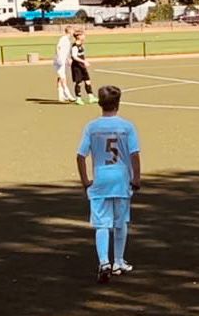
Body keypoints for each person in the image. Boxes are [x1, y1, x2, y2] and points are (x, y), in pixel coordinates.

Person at [75, 85, 141, 283]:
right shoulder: (127, 126)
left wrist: (85, 181)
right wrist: (136, 177)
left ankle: (104, 262)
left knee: (102, 224)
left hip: (101, 179)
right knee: (121, 222)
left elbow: (80, 156)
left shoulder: (92, 127)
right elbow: (134, 154)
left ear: (100, 103)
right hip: (121, 179)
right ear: (118, 103)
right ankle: (118, 261)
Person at [70, 31, 97, 105]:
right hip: (77, 67)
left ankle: (91, 97)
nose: (84, 37)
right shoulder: (75, 46)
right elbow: (74, 56)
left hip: (82, 66)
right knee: (78, 82)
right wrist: (84, 61)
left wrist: (84, 62)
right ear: (78, 36)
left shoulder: (81, 45)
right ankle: (78, 98)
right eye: (83, 35)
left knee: (87, 81)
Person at [55, 25, 76, 103]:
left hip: (63, 61)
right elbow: (58, 47)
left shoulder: (68, 40)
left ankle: (61, 96)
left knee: (60, 78)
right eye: (73, 31)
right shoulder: (63, 39)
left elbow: (66, 51)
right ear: (70, 31)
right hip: (59, 61)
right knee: (63, 78)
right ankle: (68, 95)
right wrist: (59, 57)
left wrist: (68, 59)